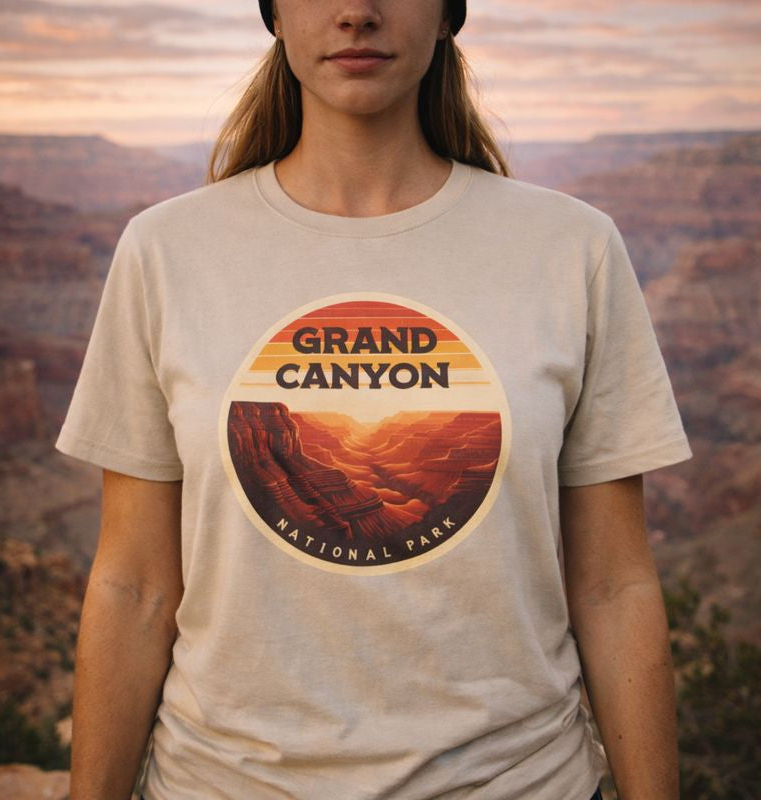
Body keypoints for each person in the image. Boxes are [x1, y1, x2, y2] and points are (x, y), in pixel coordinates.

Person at [55, 1, 692, 798]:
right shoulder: (165, 252)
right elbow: (134, 586)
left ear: (448, 13)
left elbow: (613, 586)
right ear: (275, 15)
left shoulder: (572, 249)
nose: (357, 12)